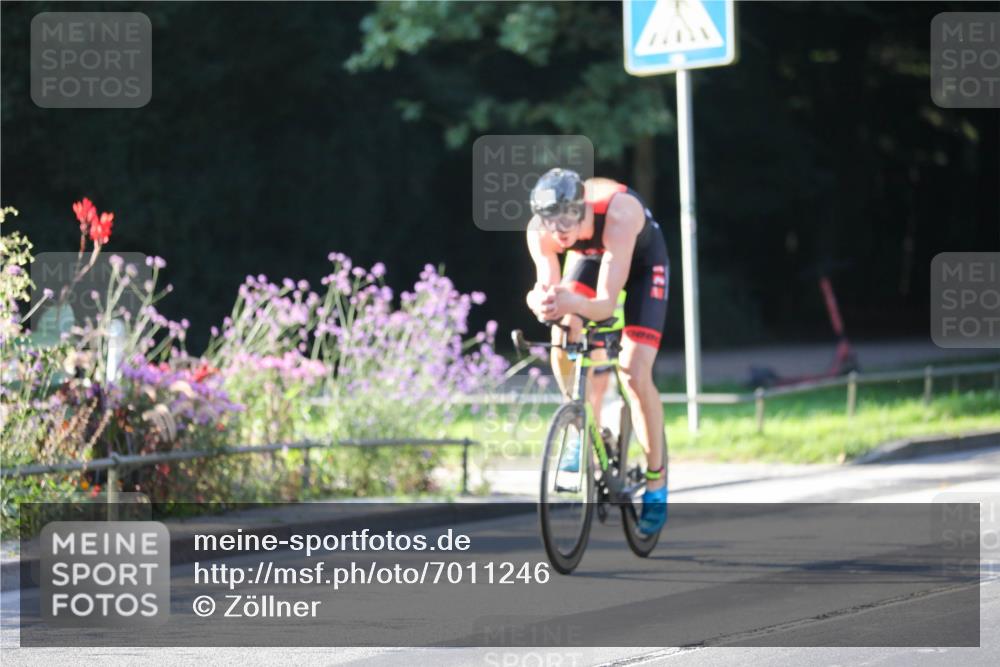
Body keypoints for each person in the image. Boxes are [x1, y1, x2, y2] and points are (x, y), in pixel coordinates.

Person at [525, 167, 670, 535]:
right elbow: (546, 287)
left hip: (641, 263)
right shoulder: (541, 231)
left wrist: (572, 300)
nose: (558, 228)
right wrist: (540, 301)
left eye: (567, 217)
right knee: (563, 328)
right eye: (550, 220)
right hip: (594, 258)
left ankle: (656, 484)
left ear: (582, 208)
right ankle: (580, 423)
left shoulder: (620, 215)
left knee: (634, 372)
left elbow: (605, 304)